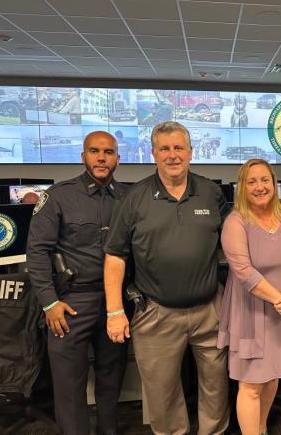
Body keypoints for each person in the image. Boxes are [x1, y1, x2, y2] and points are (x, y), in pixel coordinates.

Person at [103, 121, 230, 435]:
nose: (173, 155)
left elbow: (235, 241)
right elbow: (115, 256)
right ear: (153, 153)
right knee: (162, 394)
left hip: (211, 310)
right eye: (165, 149)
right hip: (156, 313)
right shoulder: (134, 198)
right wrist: (114, 311)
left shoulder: (210, 192)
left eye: (178, 148)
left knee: (217, 387)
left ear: (190, 152)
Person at [26, 131, 127, 435]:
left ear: (117, 158)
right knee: (70, 387)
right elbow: (37, 251)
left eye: (108, 152)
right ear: (83, 156)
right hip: (70, 303)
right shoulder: (59, 196)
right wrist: (49, 302)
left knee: (111, 380)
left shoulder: (128, 198)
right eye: (94, 151)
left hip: (115, 303)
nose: (101, 157)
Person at [218, 158, 281, 435]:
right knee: (251, 385)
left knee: (272, 378)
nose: (260, 187)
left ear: (273, 182)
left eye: (265, 180)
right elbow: (244, 272)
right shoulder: (236, 222)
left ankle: (260, 430)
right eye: (252, 181)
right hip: (253, 314)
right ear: (242, 188)